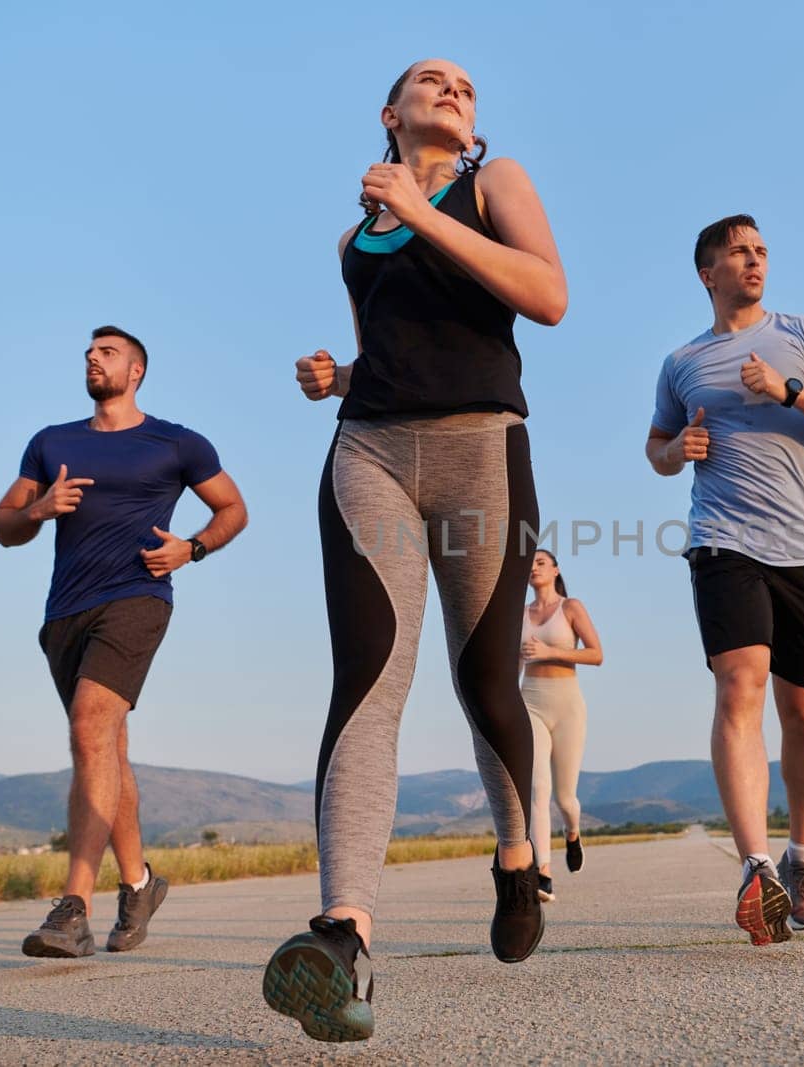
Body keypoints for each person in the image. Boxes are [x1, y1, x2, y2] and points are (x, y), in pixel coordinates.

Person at [262, 58, 567, 1043]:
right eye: (431, 82)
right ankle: (343, 933)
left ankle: (518, 854)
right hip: (371, 450)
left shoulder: (493, 182)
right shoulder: (359, 234)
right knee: (369, 678)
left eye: (466, 88)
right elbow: (396, 349)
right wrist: (337, 373)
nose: (453, 91)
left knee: (484, 684)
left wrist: (422, 207)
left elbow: (546, 296)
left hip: (482, 449)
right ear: (389, 113)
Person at [645, 215, 804, 946]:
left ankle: (801, 856)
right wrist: (676, 449)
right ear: (707, 273)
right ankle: (757, 869)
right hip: (723, 543)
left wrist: (790, 393)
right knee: (739, 683)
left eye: (761, 251)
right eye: (738, 252)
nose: (754, 261)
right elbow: (655, 447)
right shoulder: (682, 362)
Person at [0, 325, 248, 958]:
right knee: (107, 748)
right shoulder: (51, 443)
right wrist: (38, 509)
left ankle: (72, 907)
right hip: (64, 613)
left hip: (138, 597)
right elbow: (3, 525)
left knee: (88, 728)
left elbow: (233, 509)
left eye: (106, 353)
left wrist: (191, 548)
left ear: (136, 371)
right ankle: (139, 883)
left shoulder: (176, 442)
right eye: (88, 352)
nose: (92, 359)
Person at [520, 549, 603, 901]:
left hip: (567, 706)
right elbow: (514, 663)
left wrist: (550, 652)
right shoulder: (519, 614)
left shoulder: (571, 608)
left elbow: (596, 654)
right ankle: (543, 873)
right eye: (529, 563)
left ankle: (572, 832)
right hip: (530, 702)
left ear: (555, 570)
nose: (533, 567)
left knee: (565, 797)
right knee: (538, 791)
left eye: (541, 562)